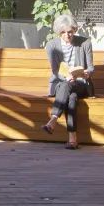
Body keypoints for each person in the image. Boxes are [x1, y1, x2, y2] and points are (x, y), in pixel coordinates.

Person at [41, 14, 94, 148]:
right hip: (61, 82)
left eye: (70, 32)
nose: (67, 35)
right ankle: (72, 138)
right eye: (63, 32)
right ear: (58, 32)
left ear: (74, 30)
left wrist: (87, 72)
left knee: (69, 87)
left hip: (80, 83)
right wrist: (66, 78)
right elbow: (55, 70)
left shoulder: (85, 42)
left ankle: (53, 120)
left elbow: (90, 67)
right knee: (71, 97)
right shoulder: (52, 45)